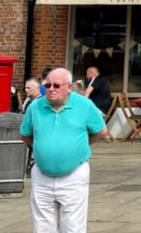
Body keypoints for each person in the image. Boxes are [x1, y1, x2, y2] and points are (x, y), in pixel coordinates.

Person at [21, 67, 106, 233]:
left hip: (74, 175)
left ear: (69, 87)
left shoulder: (84, 105)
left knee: (73, 226)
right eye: (48, 85)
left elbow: (101, 132)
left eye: (56, 86)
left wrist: (79, 147)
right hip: (42, 175)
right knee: (42, 226)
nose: (51, 89)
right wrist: (43, 148)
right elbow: (25, 135)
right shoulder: (35, 106)